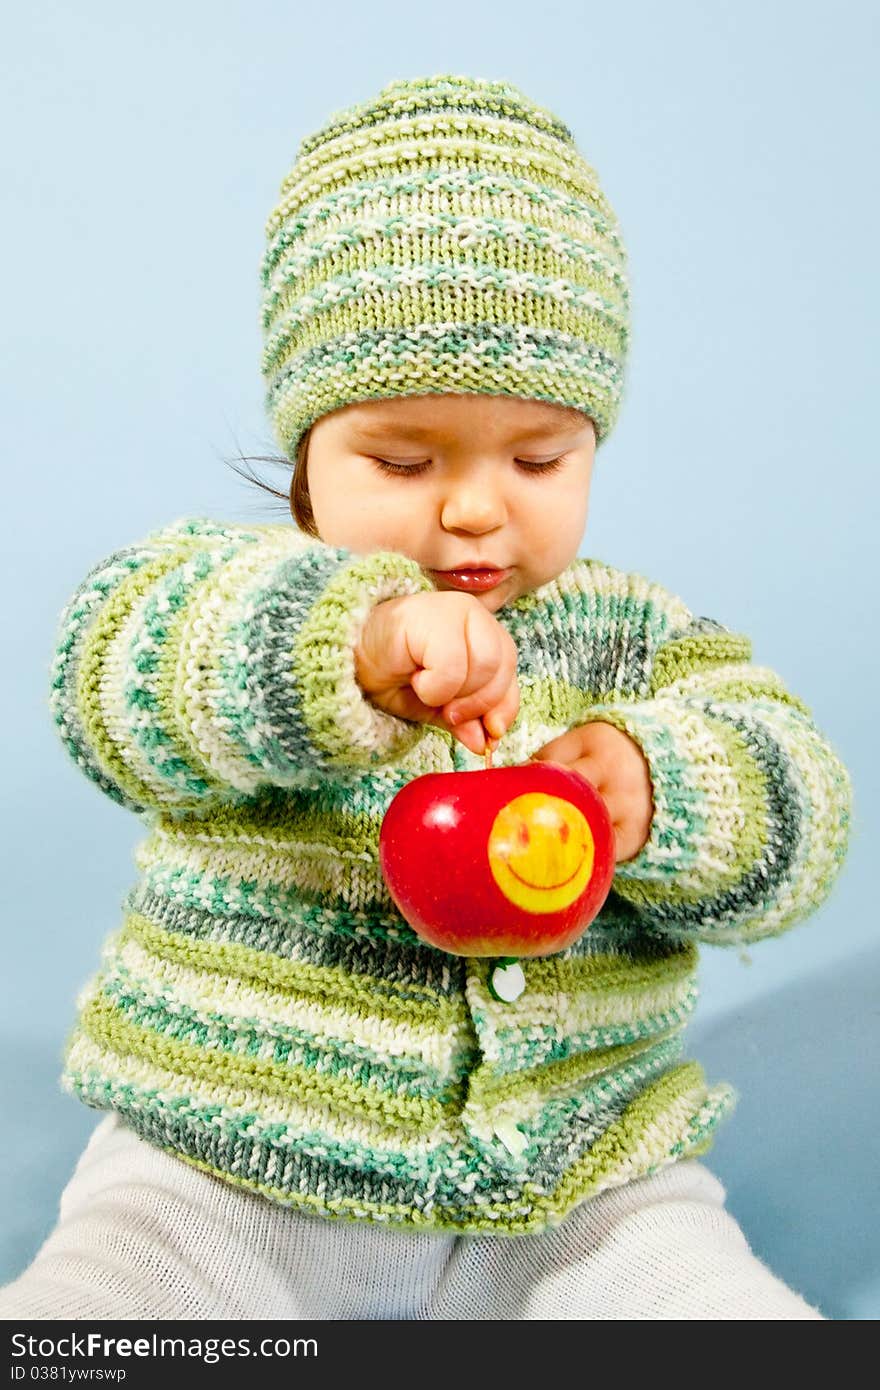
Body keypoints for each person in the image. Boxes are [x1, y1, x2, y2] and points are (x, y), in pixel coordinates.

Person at [0, 73, 852, 1321]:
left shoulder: (640, 641)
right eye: (403, 459)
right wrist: (352, 647)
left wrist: (654, 784)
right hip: (226, 1167)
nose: (473, 504)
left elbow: (802, 815)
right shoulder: (244, 593)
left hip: (574, 1181)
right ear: (307, 448)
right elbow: (108, 678)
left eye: (539, 457)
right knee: (88, 1328)